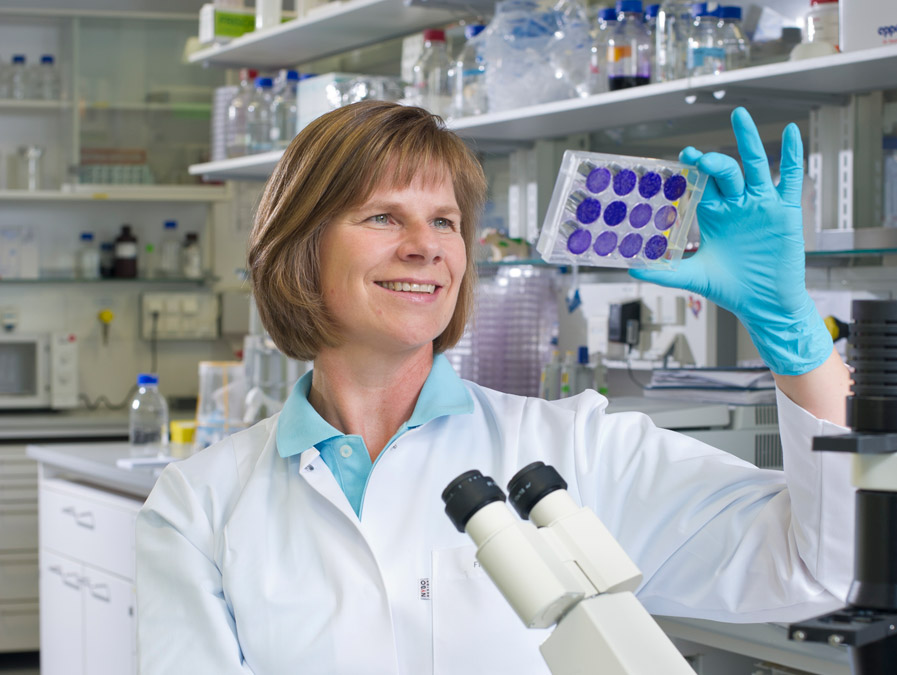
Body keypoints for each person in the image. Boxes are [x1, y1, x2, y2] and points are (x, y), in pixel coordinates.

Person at [136, 100, 853, 674]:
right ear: (300, 246)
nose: (426, 245)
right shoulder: (201, 505)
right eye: (384, 215)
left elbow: (818, 568)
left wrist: (796, 338)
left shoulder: (573, 448)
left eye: (444, 220)